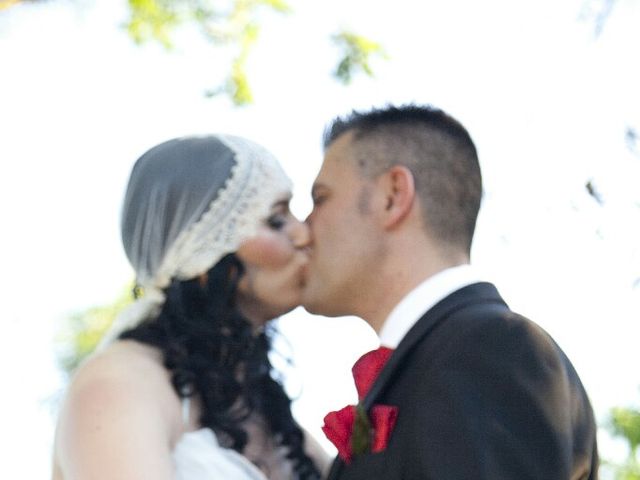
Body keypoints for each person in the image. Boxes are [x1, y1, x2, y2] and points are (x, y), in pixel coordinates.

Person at [302, 104, 599, 479]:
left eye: (321, 198)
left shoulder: (494, 349)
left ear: (393, 196)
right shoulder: (446, 356)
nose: (303, 229)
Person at [52, 134, 329, 480]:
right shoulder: (117, 383)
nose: (304, 234)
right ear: (202, 255)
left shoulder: (267, 411)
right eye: (276, 220)